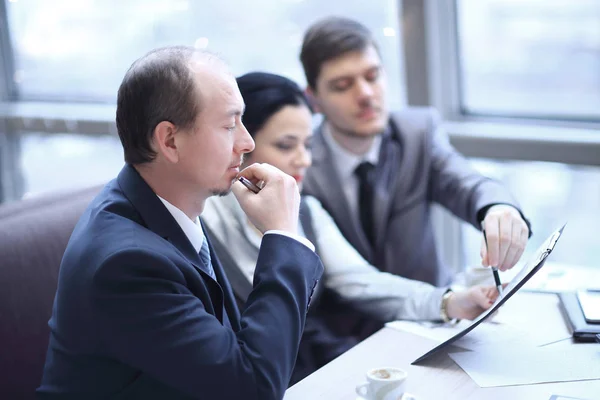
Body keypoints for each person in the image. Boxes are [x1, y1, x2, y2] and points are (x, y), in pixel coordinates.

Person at [36, 47, 324, 400]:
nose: (247, 143)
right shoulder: (125, 264)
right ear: (170, 140)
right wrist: (282, 236)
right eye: (230, 125)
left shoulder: (168, 205)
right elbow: (253, 388)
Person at [201, 72, 504, 383]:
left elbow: (361, 282)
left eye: (307, 144)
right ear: (241, 145)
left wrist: (450, 301)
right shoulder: (203, 224)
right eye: (286, 145)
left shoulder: (307, 210)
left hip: (318, 374)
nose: (304, 160)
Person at [300, 16, 531, 288]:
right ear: (314, 99)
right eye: (342, 85)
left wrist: (498, 208)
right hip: (345, 329)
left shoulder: (416, 133)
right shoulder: (300, 162)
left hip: (434, 320)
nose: (365, 93)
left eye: (372, 76)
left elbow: (467, 184)